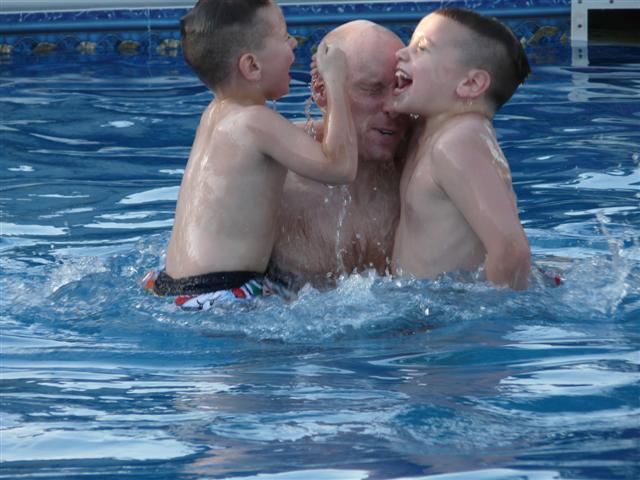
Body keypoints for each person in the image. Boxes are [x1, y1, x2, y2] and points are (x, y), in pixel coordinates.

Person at [143, 0, 357, 310]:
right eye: (285, 36)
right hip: (221, 295)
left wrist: (340, 124)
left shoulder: (217, 114)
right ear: (252, 66)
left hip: (170, 286)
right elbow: (340, 168)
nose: (294, 43)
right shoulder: (257, 122)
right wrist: (337, 82)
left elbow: (294, 138)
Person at [389, 7, 531, 289]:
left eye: (422, 48)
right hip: (429, 305)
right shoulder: (431, 132)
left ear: (471, 83)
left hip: (452, 312)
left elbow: (511, 250)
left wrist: (491, 314)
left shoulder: (457, 142)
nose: (400, 54)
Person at [268, 21, 410, 291]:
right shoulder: (274, 169)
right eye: (373, 90)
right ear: (322, 91)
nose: (393, 107)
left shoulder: (424, 163)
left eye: (400, 88)